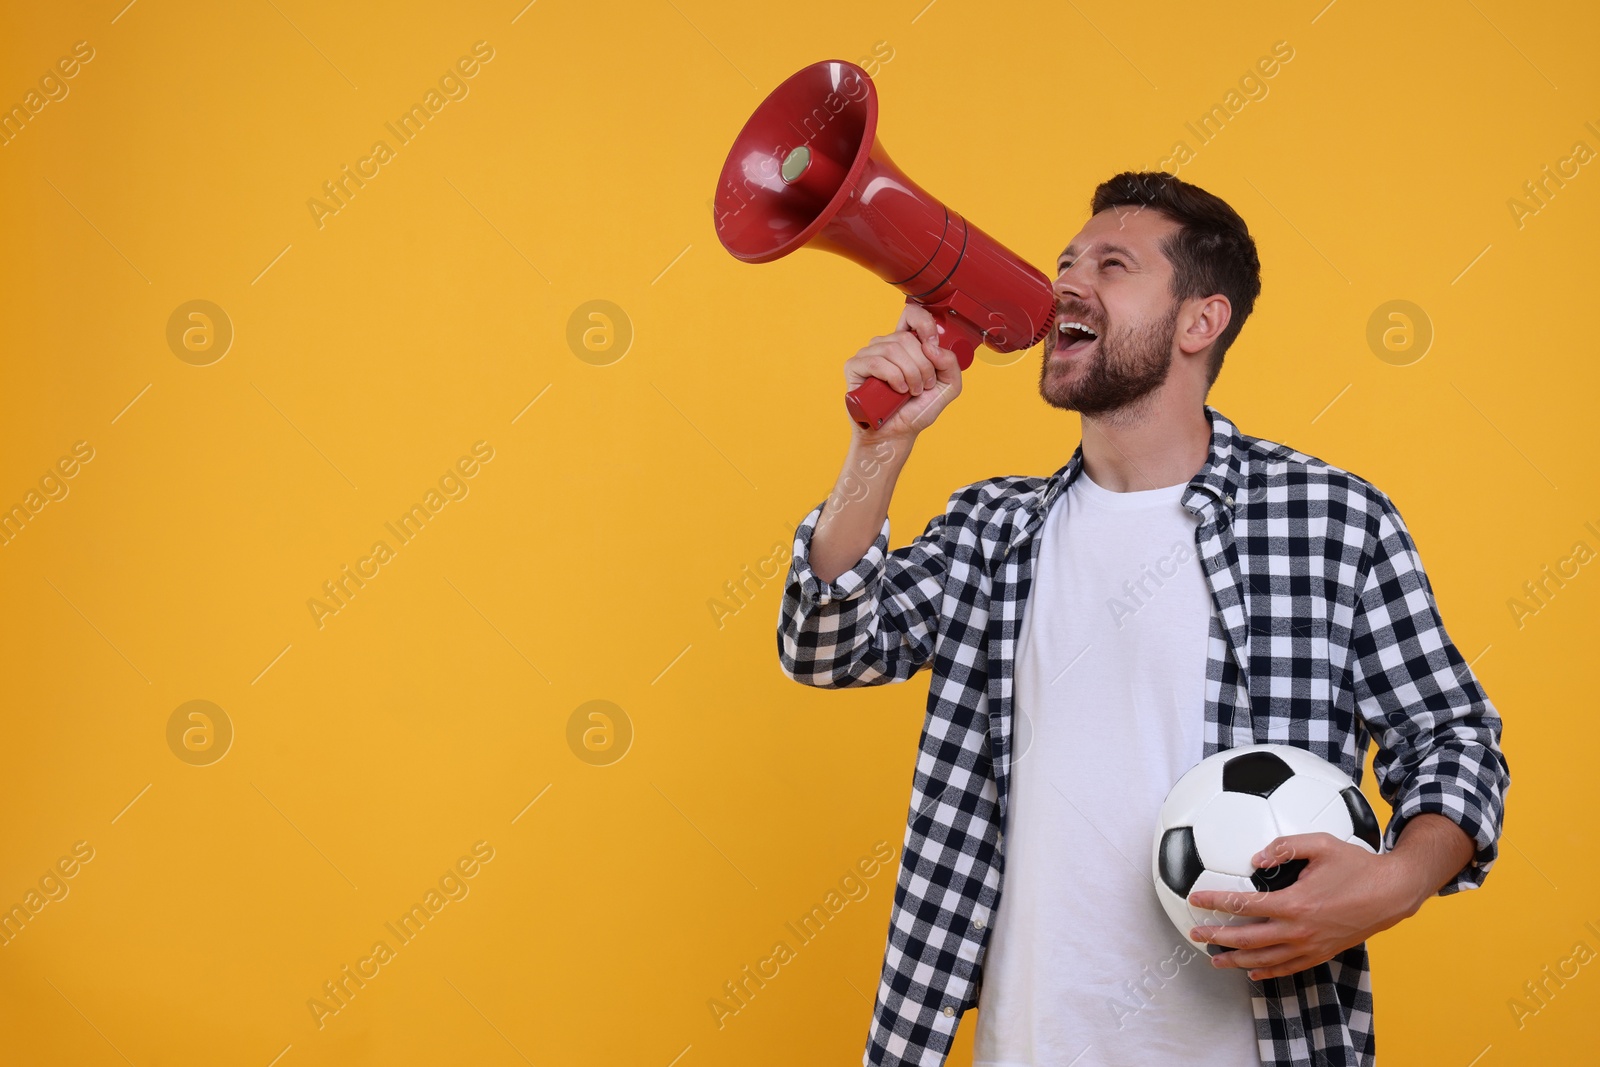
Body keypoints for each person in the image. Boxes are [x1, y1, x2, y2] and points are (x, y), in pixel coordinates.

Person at [775, 171, 1509, 1067]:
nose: (1064, 287)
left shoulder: (1329, 520)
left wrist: (1395, 882)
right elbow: (827, 646)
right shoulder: (993, 529)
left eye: (1111, 265)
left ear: (1202, 320)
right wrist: (878, 447)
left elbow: (1452, 739)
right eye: (1064, 263)